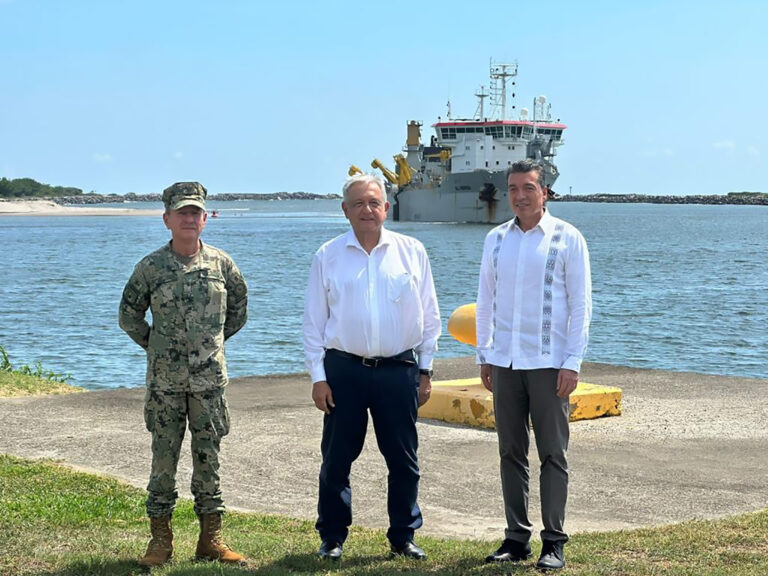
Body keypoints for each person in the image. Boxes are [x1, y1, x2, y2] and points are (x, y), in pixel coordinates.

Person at [303, 173, 441, 561]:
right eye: (359, 203)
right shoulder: (327, 256)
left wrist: (426, 370)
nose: (368, 210)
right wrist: (318, 377)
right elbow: (313, 324)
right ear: (345, 210)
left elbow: (429, 317)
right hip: (343, 371)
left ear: (386, 207)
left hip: (399, 370)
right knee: (336, 459)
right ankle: (332, 537)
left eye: (374, 202)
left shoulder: (411, 251)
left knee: (403, 459)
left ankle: (403, 535)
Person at [119, 182, 248, 568]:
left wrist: (211, 346)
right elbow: (129, 315)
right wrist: (158, 346)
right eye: (182, 213)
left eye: (196, 213)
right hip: (165, 385)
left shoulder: (222, 265)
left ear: (205, 219)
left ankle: (211, 539)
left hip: (209, 383)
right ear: (167, 220)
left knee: (209, 460)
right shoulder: (151, 267)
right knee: (163, 461)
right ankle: (160, 541)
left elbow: (238, 311)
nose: (190, 219)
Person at [476, 159, 592, 571]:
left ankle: (554, 541)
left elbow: (580, 305)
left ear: (545, 192)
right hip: (505, 361)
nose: (519, 196)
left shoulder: (567, 238)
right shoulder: (495, 239)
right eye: (512, 188)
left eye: (528, 187)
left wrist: (572, 362)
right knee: (510, 450)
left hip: (549, 363)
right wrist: (484, 355)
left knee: (553, 453)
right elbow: (485, 300)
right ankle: (515, 537)